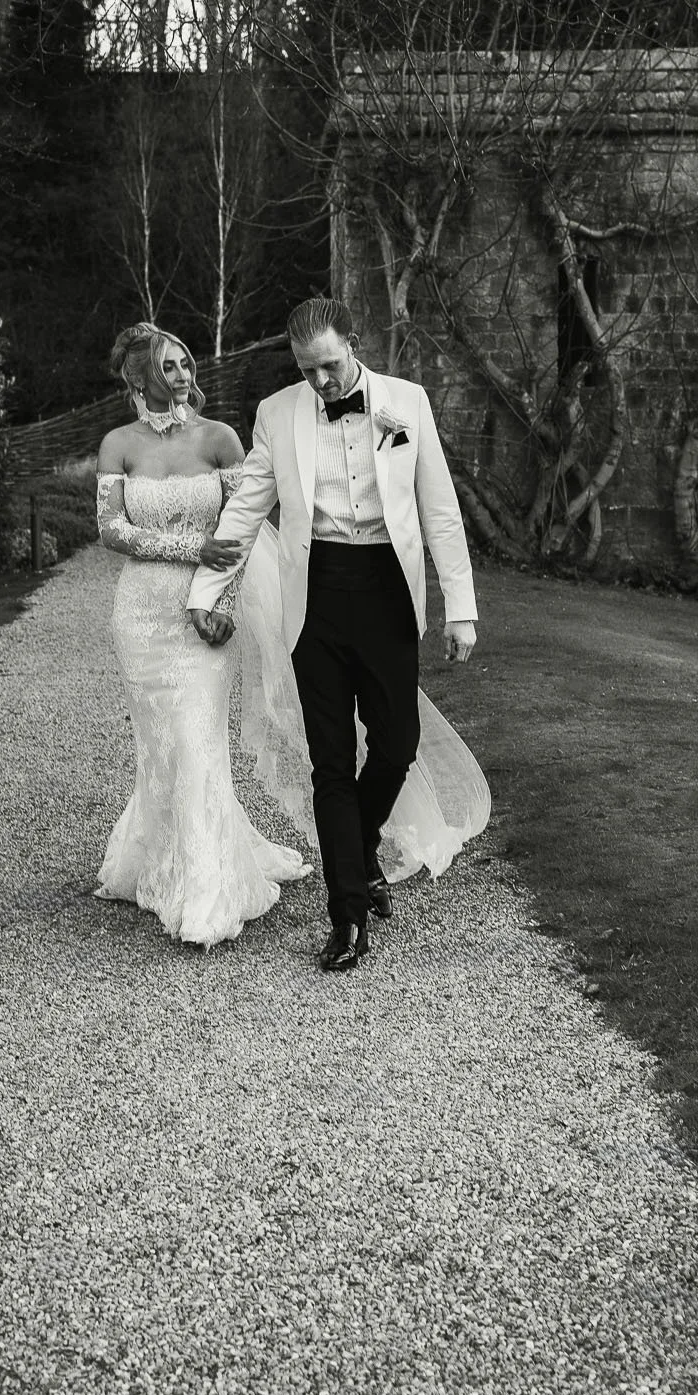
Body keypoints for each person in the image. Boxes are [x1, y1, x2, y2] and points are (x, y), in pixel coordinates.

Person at [188, 295, 484, 972]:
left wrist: (459, 609)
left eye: (327, 366)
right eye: (306, 370)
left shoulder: (406, 402)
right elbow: (244, 512)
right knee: (329, 764)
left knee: (395, 744)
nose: (319, 383)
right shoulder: (276, 413)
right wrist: (207, 588)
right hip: (315, 598)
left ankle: (360, 846)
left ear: (352, 343)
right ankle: (346, 913)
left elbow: (439, 513)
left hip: (385, 594)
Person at [94, 321, 309, 946]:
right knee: (159, 743)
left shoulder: (219, 438)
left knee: (197, 740)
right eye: (169, 366)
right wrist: (193, 545)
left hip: (205, 609)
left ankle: (207, 889)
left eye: (187, 363)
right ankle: (158, 862)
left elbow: (241, 528)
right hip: (140, 616)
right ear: (139, 378)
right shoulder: (118, 445)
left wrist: (222, 601)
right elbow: (110, 529)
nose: (184, 375)